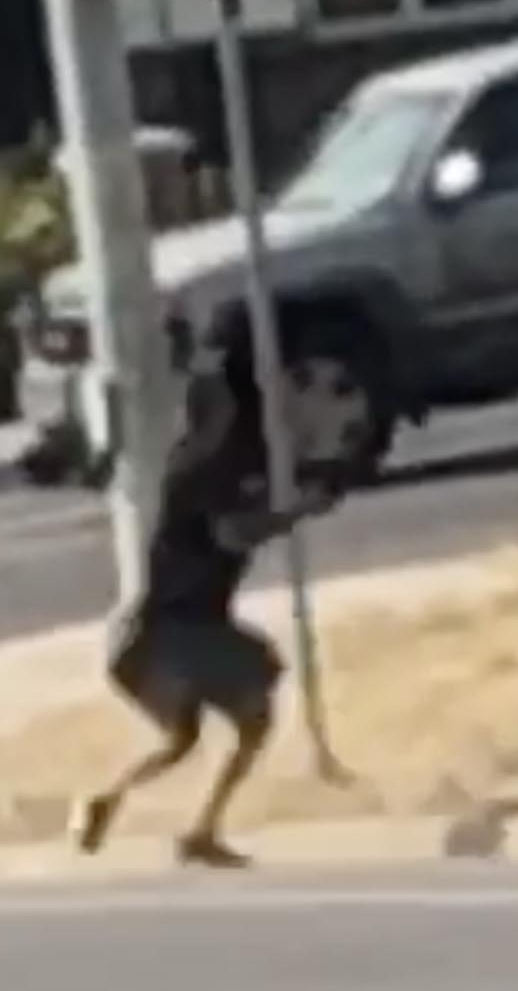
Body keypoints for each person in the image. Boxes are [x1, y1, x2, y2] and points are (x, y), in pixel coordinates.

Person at [70, 341, 335, 868]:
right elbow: (232, 533)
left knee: (183, 739)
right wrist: (294, 512)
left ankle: (109, 800)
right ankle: (199, 830)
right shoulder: (201, 469)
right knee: (253, 711)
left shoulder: (209, 463)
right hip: (176, 632)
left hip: (152, 637)